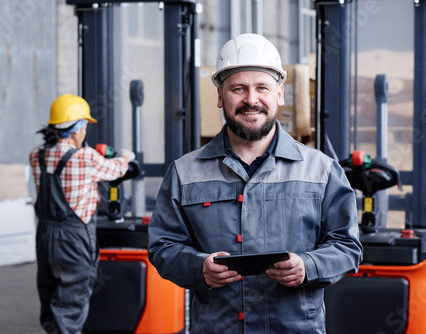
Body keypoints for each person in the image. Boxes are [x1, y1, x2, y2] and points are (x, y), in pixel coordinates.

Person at [148, 33, 362, 333]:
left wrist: (308, 266)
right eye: (239, 88)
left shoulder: (322, 170)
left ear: (279, 95)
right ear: (221, 96)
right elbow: (163, 247)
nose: (251, 99)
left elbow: (347, 246)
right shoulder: (185, 172)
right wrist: (199, 268)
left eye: (262, 87)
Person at [29, 94, 135, 334]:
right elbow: (116, 169)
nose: (86, 132)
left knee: (50, 297)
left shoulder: (37, 155)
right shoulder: (85, 157)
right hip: (73, 239)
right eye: (85, 126)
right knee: (71, 303)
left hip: (45, 236)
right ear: (76, 129)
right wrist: (127, 156)